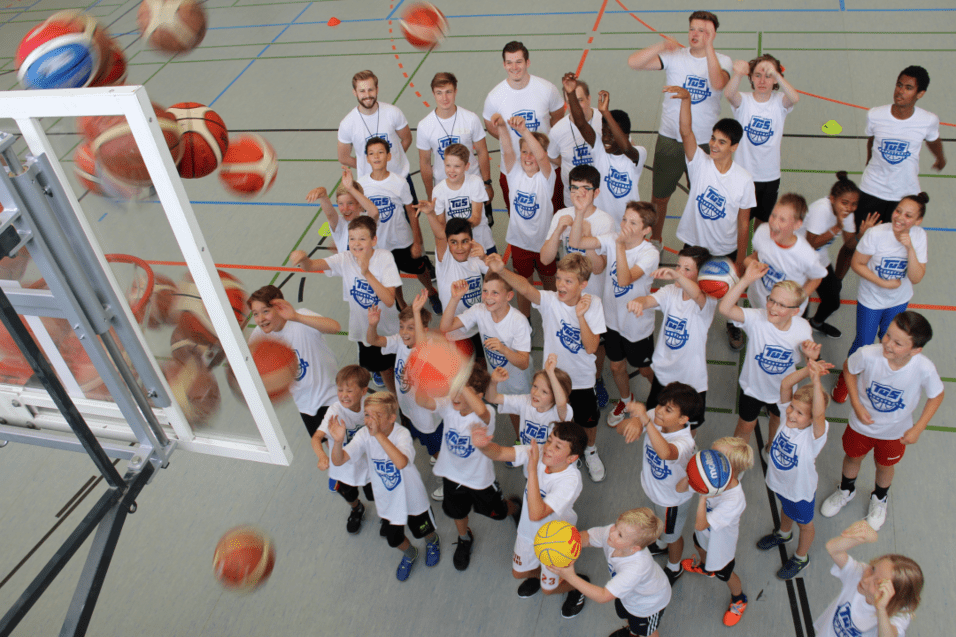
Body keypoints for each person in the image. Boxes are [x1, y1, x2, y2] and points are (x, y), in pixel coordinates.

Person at [487, 252, 608, 482]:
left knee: (588, 420)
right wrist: (501, 270)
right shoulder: (551, 301)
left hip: (582, 380)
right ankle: (562, 453)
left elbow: (591, 347)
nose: (560, 285)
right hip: (553, 380)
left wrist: (580, 316)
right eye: (559, 278)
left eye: (568, 281)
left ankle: (590, 450)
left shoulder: (593, 304)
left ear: (583, 284)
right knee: (559, 423)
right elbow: (525, 288)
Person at [821, 311, 944, 531]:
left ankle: (879, 498)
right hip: (861, 426)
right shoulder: (868, 354)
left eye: (898, 343)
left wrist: (918, 427)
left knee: (884, 466)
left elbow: (937, 395)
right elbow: (849, 369)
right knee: (852, 457)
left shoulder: (924, 368)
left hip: (895, 432)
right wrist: (856, 404)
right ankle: (846, 490)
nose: (887, 344)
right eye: (887, 335)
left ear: (915, 350)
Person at [627, 11, 733, 246]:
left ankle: (701, 243)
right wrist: (661, 45)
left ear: (713, 34)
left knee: (704, 198)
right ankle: (656, 240)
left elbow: (718, 83)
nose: (695, 34)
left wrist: (709, 47)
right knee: (659, 198)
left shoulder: (722, 61)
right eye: (692, 28)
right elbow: (634, 62)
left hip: (704, 143)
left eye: (703, 31)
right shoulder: (675, 57)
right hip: (670, 139)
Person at [665, 84, 755, 350]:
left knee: (730, 292)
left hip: (724, 249)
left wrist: (740, 260)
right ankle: (687, 322)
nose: (714, 145)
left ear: (734, 147)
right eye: (714, 139)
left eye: (722, 142)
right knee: (688, 289)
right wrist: (686, 100)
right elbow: (686, 131)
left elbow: (743, 223)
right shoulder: (699, 163)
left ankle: (733, 324)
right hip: (694, 246)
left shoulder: (744, 180)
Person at [835, 66, 945, 276]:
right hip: (872, 191)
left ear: (920, 93)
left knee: (892, 248)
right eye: (899, 85)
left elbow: (933, 139)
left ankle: (882, 285)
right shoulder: (876, 115)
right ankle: (835, 284)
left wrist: (940, 158)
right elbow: (872, 140)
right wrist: (869, 162)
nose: (900, 91)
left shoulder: (928, 120)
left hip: (903, 196)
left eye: (908, 88)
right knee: (854, 244)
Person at [472, 421, 588, 618]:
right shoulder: (540, 451)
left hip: (555, 543)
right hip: (528, 531)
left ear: (572, 458)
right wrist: (483, 445)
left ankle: (577, 586)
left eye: (558, 446)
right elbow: (500, 453)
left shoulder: (571, 481)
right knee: (518, 573)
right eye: (550, 440)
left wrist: (532, 469)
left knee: (548, 590)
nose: (548, 448)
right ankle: (543, 575)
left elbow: (537, 513)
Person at [414, 365, 517, 572]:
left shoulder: (485, 414)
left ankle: (515, 507)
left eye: (462, 391)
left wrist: (462, 384)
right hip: (452, 475)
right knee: (457, 512)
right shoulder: (448, 406)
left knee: (498, 512)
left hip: (480, 479)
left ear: (478, 396)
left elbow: (482, 411)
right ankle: (464, 538)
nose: (455, 396)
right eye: (454, 389)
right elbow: (422, 401)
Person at [329, 392, 440, 581]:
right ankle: (410, 553)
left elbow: (401, 463)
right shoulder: (364, 435)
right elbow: (338, 461)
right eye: (367, 415)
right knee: (394, 538)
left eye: (377, 416)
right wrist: (338, 442)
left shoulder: (402, 434)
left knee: (423, 528)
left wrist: (378, 435)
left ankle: (432, 541)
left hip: (412, 496)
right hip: (387, 500)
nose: (370, 421)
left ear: (391, 418)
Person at [832, 194, 930, 403]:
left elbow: (916, 277)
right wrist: (882, 282)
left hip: (898, 301)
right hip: (871, 300)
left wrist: (910, 248)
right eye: (898, 211)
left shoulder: (919, 236)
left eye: (908, 215)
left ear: (918, 221)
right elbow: (857, 263)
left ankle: (877, 376)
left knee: (891, 343)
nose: (900, 217)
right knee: (863, 343)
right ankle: (846, 377)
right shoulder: (876, 234)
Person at [569, 202, 659, 426]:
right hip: (612, 321)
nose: (625, 225)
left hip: (636, 326)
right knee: (616, 366)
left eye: (633, 223)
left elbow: (624, 279)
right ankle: (626, 401)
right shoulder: (612, 238)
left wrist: (619, 246)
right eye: (625, 219)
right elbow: (576, 242)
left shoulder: (649, 253)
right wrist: (579, 213)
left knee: (645, 369)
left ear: (646, 230)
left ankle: (661, 396)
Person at [291, 216, 401, 394]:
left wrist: (366, 273)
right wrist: (303, 259)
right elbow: (310, 266)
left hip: (389, 329)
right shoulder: (345, 259)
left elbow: (389, 300)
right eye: (352, 239)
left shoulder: (384, 258)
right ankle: (396, 398)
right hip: (365, 330)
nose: (356, 244)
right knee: (384, 369)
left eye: (362, 239)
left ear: (374, 240)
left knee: (400, 365)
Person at [719, 261, 816, 443]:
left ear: (795, 311)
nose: (773, 308)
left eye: (781, 305)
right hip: (753, 389)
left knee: (777, 422)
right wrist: (745, 280)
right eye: (771, 300)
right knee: (745, 426)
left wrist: (811, 356)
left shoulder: (803, 328)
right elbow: (724, 308)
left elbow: (809, 360)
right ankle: (737, 456)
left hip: (783, 393)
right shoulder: (757, 318)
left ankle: (771, 448)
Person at [617, 384, 701, 586]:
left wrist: (645, 421)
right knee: (657, 524)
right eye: (661, 405)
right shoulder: (655, 416)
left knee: (672, 536)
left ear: (683, 419)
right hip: (653, 490)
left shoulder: (685, 442)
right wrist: (635, 421)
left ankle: (674, 567)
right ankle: (661, 545)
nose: (660, 411)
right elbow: (620, 429)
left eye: (668, 410)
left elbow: (665, 453)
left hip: (672, 501)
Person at [756, 356, 830, 580]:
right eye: (792, 408)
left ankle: (801, 557)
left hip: (800, 492)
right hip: (781, 484)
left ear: (811, 419)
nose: (791, 413)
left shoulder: (813, 437)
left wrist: (816, 382)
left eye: (799, 413)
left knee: (805, 525)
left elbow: (819, 414)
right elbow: (785, 384)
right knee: (785, 509)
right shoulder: (786, 419)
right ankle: (783, 533)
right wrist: (808, 370)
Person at [627, 246, 715, 432]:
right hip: (664, 375)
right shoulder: (670, 291)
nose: (679, 271)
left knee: (689, 425)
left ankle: (688, 445)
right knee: (657, 418)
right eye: (678, 266)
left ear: (701, 275)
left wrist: (677, 276)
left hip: (691, 381)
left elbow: (697, 295)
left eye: (687, 269)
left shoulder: (708, 301)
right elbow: (648, 300)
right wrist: (638, 302)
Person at [548, 508, 672, 637]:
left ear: (634, 548)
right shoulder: (613, 535)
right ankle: (633, 631)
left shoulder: (636, 568)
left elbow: (603, 596)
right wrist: (566, 547)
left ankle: (637, 632)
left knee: (647, 632)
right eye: (616, 526)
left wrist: (570, 577)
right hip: (628, 596)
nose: (612, 533)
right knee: (625, 616)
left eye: (620, 535)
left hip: (648, 605)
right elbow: (588, 537)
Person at [442, 272, 532, 439]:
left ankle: (528, 440)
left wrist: (503, 349)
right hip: (498, 377)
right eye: (485, 291)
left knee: (526, 412)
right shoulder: (479, 310)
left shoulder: (518, 322)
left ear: (509, 296)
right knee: (511, 410)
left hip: (518, 381)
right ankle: (520, 438)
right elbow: (446, 327)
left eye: (495, 292)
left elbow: (524, 363)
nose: (488, 297)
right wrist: (455, 299)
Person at [482, 41, 565, 216]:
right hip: (513, 170)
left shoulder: (547, 89)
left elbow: (558, 117)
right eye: (509, 62)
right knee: (519, 217)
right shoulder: (494, 97)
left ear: (527, 62)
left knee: (557, 216)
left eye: (519, 61)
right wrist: (509, 138)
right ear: (504, 64)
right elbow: (491, 127)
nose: (514, 67)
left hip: (546, 167)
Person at [358, 137, 439, 311]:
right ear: (367, 158)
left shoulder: (399, 182)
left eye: (380, 152)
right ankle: (401, 305)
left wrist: (417, 242)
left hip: (403, 240)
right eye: (371, 153)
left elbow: (411, 212)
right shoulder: (361, 185)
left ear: (388, 156)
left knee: (420, 269)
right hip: (380, 243)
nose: (376, 156)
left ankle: (431, 292)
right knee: (391, 278)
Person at [247, 285, 340, 438]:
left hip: (332, 395)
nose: (261, 319)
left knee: (348, 443)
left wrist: (296, 316)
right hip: (304, 405)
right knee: (329, 445)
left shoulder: (300, 316)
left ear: (279, 307)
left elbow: (335, 327)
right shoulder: (259, 335)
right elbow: (249, 362)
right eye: (255, 314)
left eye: (265, 311)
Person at [680, 436, 754, 627]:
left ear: (729, 469)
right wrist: (691, 476)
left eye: (716, 457)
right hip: (704, 536)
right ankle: (705, 568)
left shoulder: (734, 500)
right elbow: (679, 488)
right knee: (699, 546)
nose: (709, 459)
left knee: (726, 574)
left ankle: (739, 599)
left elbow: (700, 524)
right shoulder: (710, 478)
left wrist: (703, 496)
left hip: (721, 547)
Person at [488, 112, 556, 319]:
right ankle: (525, 320)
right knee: (522, 284)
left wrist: (524, 131)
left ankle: (554, 315)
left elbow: (542, 157)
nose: (528, 156)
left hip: (544, 243)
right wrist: (502, 127)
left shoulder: (547, 177)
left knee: (550, 282)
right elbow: (508, 151)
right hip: (520, 243)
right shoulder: (514, 174)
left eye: (532, 152)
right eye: (524, 152)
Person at [366, 291, 442, 465]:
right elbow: (373, 340)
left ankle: (444, 469)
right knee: (423, 440)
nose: (404, 332)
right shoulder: (400, 341)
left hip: (427, 417)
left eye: (411, 328)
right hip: (410, 410)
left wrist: (416, 311)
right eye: (402, 326)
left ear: (424, 331)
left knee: (436, 447)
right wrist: (372, 325)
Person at [723, 54, 799, 230]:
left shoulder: (779, 102)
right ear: (751, 78)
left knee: (763, 222)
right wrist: (738, 74)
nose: (763, 80)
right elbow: (729, 94)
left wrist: (777, 74)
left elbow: (794, 98)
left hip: (770, 177)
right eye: (757, 75)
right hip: (743, 176)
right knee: (739, 222)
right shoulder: (744, 100)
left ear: (775, 79)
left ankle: (757, 247)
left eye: (768, 75)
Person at [815, 520, 923, 637]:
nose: (866, 579)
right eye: (873, 569)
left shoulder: (898, 615)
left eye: (878, 583)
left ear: (891, 596)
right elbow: (832, 548)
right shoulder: (859, 573)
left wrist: (881, 609)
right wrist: (862, 537)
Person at [416, 72, 493, 222]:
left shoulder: (470, 119)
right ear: (433, 94)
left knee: (480, 227)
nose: (444, 98)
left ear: (455, 92)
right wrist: (431, 195)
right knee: (448, 232)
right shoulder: (425, 126)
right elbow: (424, 163)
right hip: (444, 189)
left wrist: (487, 183)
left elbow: (482, 151)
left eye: (448, 92)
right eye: (439, 93)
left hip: (472, 186)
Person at [800, 172, 866, 339]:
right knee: (801, 303)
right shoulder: (821, 210)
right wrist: (837, 227)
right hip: (798, 258)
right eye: (845, 203)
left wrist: (861, 234)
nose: (849, 208)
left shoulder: (847, 214)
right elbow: (810, 244)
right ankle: (799, 335)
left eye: (854, 204)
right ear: (832, 199)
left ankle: (816, 323)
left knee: (832, 300)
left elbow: (849, 244)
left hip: (819, 258)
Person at [313, 365, 373, 535]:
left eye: (349, 391)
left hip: (368, 460)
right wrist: (321, 456)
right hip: (343, 464)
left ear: (363, 391)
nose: (344, 395)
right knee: (348, 493)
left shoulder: (371, 405)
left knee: (374, 493)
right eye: (340, 390)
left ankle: (385, 514)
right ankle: (356, 508)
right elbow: (316, 438)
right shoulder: (334, 411)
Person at [417, 209, 487, 353]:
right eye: (454, 242)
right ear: (448, 243)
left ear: (472, 241)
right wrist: (430, 214)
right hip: (457, 332)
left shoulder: (476, 257)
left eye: (464, 241)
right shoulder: (446, 261)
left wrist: (485, 258)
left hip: (479, 325)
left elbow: (499, 277)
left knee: (481, 362)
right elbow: (440, 236)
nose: (459, 248)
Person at [744, 193, 826, 314]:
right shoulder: (762, 232)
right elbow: (754, 256)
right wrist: (752, 264)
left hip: (784, 314)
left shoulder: (806, 255)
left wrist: (796, 300)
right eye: (773, 216)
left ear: (797, 224)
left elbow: (817, 277)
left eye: (782, 220)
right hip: (759, 303)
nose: (774, 223)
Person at [337, 70, 414, 185]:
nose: (367, 95)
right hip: (369, 184)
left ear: (377, 89)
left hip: (399, 178)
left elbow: (407, 139)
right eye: (362, 91)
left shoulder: (393, 112)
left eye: (370, 90)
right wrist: (368, 166)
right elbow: (343, 158)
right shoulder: (347, 124)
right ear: (355, 92)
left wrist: (394, 159)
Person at [486, 353, 572, 447]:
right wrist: (493, 381)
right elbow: (492, 398)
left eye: (544, 392)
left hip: (548, 456)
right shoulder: (525, 400)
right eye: (535, 386)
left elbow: (561, 403)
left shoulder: (558, 412)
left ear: (556, 395)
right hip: (527, 453)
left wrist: (550, 372)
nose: (536, 393)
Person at [425, 142, 494, 254]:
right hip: (457, 246)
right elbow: (441, 223)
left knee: (492, 265)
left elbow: (476, 218)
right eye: (448, 165)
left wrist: (455, 233)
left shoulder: (475, 182)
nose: (451, 170)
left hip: (481, 240)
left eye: (457, 166)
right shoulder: (438, 190)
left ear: (467, 166)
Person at [547, 75, 602, 208]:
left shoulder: (604, 121)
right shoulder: (557, 131)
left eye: (580, 100)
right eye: (571, 101)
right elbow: (552, 156)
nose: (575, 106)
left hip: (601, 198)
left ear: (589, 99)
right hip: (573, 202)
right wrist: (569, 164)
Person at [305, 167, 378, 253]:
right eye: (341, 204)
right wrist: (323, 194)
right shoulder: (340, 224)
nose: (345, 209)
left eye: (350, 203)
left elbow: (374, 212)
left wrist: (351, 188)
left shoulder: (367, 221)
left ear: (359, 203)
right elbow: (330, 215)